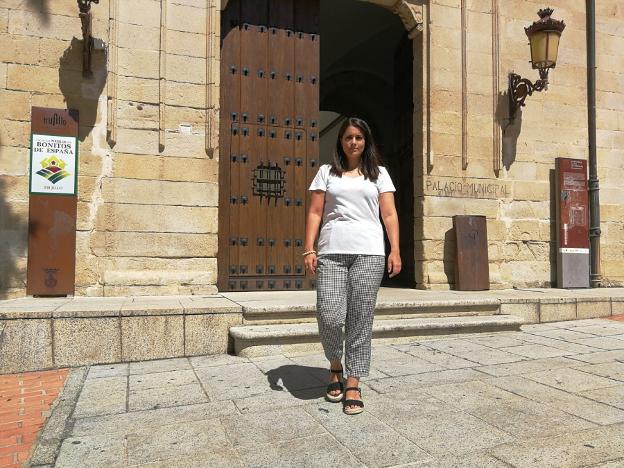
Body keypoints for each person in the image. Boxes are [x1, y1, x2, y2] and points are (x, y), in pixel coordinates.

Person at [303, 117, 401, 415]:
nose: (354, 142)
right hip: (331, 251)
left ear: (366, 141)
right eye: (348, 137)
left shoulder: (379, 174)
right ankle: (335, 365)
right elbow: (315, 213)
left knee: (360, 317)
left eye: (359, 137)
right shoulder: (326, 172)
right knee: (330, 314)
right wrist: (309, 247)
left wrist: (395, 249)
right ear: (341, 141)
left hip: (369, 252)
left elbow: (390, 215)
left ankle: (354, 381)